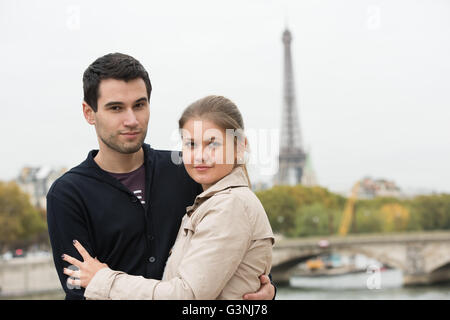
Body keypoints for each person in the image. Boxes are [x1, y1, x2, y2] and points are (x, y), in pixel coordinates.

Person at [47, 53, 275, 300]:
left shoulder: (189, 170)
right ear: (89, 113)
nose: (132, 120)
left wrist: (264, 289)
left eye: (139, 105)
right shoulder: (67, 195)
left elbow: (231, 251)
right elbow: (80, 289)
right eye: (116, 108)